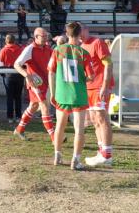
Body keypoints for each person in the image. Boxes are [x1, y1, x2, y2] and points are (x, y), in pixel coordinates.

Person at [49, 22, 91, 170]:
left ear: (67, 34)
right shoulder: (84, 53)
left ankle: (57, 155)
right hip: (78, 95)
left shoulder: (57, 50)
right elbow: (90, 76)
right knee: (79, 129)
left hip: (62, 94)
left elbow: (51, 72)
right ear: (80, 35)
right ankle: (76, 160)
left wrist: (53, 92)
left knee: (60, 126)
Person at [12, 27, 55, 142]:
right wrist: (27, 75)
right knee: (45, 107)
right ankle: (54, 137)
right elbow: (16, 64)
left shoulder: (48, 48)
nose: (46, 38)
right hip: (36, 84)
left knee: (33, 106)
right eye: (43, 36)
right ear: (36, 37)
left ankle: (19, 129)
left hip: (45, 82)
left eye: (47, 36)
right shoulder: (29, 49)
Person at [81, 24, 115, 167]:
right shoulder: (81, 46)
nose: (79, 33)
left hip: (99, 87)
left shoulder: (97, 42)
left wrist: (105, 85)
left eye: (81, 30)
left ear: (86, 30)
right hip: (89, 87)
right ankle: (101, 152)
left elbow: (108, 64)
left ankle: (107, 155)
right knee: (95, 120)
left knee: (102, 118)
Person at [0, 34, 24, 123]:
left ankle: (10, 117)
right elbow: (24, 63)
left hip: (8, 76)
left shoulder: (3, 50)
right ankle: (18, 116)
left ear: (6, 41)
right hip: (19, 75)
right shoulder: (20, 49)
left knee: (10, 97)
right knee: (18, 97)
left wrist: (3, 75)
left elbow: (0, 65)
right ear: (14, 40)